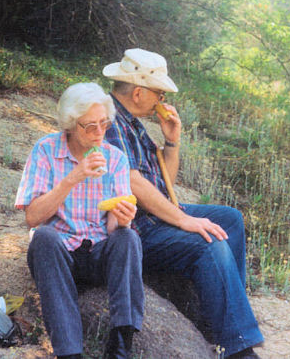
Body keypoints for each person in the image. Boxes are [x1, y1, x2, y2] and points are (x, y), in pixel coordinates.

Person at [102, 48, 264, 359]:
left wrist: (172, 141)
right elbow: (133, 182)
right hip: (132, 226)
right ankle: (238, 349)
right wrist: (182, 219)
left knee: (230, 219)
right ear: (138, 92)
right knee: (209, 242)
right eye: (158, 93)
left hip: (153, 214)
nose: (161, 101)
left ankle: (220, 316)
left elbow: (165, 185)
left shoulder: (132, 122)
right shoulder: (110, 121)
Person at [15, 82, 144, 359]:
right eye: (90, 127)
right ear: (71, 125)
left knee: (129, 236)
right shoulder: (46, 150)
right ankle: (70, 353)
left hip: (97, 252)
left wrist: (122, 219)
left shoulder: (116, 158)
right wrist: (73, 178)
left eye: (104, 124)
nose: (100, 134)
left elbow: (112, 231)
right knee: (44, 236)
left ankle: (121, 343)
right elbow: (32, 217)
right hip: (58, 255)